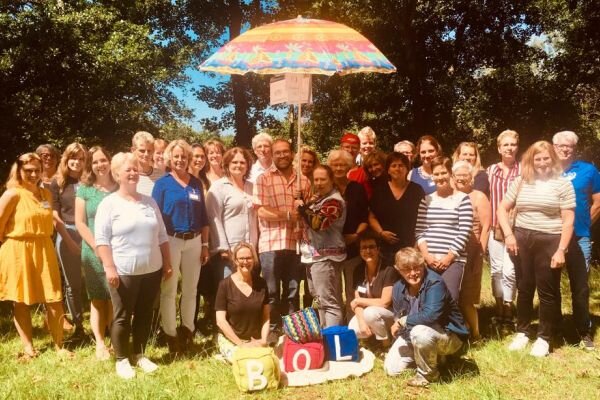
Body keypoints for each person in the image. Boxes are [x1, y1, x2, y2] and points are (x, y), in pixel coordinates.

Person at [95, 152, 173, 379]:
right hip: (124, 271)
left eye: (135, 169)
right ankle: (121, 359)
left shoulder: (149, 202)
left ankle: (139, 354)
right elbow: (101, 240)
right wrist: (109, 267)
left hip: (152, 269)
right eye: (127, 170)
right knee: (122, 316)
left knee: (144, 314)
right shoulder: (109, 204)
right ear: (117, 174)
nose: (133, 173)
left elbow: (162, 236)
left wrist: (167, 263)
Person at [498, 140, 575, 357]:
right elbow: (502, 209)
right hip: (522, 238)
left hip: (550, 240)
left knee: (547, 291)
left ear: (553, 159)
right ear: (531, 161)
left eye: (546, 158)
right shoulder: (521, 181)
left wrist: (561, 250)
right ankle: (522, 332)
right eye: (537, 159)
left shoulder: (563, 184)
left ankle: (544, 337)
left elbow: (568, 220)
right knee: (524, 287)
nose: (541, 162)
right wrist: (509, 235)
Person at [0, 153, 71, 358]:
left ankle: (59, 346)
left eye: (37, 170)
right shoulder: (12, 194)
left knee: (54, 298)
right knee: (21, 300)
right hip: (18, 251)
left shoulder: (45, 194)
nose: (33, 174)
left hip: (44, 248)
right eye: (28, 170)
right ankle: (28, 347)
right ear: (19, 171)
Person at [152, 140, 209, 352]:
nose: (180, 160)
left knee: (191, 290)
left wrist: (205, 244)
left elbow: (203, 216)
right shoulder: (162, 184)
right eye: (176, 156)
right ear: (170, 158)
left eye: (184, 156)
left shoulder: (196, 183)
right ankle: (171, 335)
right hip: (171, 240)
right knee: (169, 289)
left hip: (194, 241)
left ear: (188, 159)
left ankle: (188, 331)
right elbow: (155, 217)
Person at [384, 247, 468, 387]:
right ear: (398, 269)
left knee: (420, 332)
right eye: (407, 269)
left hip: (447, 335)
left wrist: (402, 322)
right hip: (414, 334)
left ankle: (428, 375)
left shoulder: (435, 282)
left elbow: (431, 316)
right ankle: (432, 359)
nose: (413, 273)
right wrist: (399, 329)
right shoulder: (398, 287)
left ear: (423, 264)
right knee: (391, 370)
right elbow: (399, 316)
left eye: (417, 267)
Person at [254, 139, 310, 338]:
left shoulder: (304, 181)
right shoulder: (263, 179)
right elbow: (261, 210)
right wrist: (286, 215)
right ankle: (271, 330)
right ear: (272, 155)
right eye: (277, 152)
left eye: (285, 151)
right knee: (271, 291)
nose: (282, 155)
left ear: (292, 153)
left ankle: (292, 330)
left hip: (295, 242)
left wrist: (302, 210)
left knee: (293, 290)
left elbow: (309, 212)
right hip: (271, 242)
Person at [553, 130, 600, 350]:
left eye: (569, 146)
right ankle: (553, 328)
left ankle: (583, 330)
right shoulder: (546, 170)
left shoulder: (588, 170)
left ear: (575, 148)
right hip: (551, 236)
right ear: (554, 147)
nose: (565, 149)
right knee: (550, 285)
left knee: (580, 287)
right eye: (561, 145)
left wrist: (582, 225)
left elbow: (598, 202)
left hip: (580, 237)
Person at [74, 146, 118, 360]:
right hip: (92, 252)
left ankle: (114, 341)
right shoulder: (85, 189)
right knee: (98, 299)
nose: (100, 165)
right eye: (95, 162)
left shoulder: (119, 187)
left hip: (117, 251)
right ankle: (100, 343)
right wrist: (96, 247)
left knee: (114, 298)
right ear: (90, 166)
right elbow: (80, 222)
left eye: (103, 160)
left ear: (110, 161)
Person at [415, 157, 474, 302]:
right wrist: (426, 256)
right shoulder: (426, 200)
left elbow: (465, 231)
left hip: (453, 260)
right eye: (436, 174)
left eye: (443, 173)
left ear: (451, 174)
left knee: (450, 298)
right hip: (429, 260)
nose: (440, 177)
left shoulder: (463, 199)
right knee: (427, 298)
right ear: (432, 176)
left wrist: (449, 257)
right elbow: (420, 231)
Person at [300, 165, 346, 327]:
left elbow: (318, 223)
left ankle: (333, 338)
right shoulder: (319, 199)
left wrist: (302, 208)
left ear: (331, 180)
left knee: (329, 303)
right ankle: (325, 335)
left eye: (323, 179)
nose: (319, 183)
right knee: (320, 301)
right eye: (316, 180)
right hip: (313, 256)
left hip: (326, 258)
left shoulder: (334, 201)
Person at [50, 142, 87, 341]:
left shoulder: (90, 181)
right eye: (73, 158)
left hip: (89, 233)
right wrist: (68, 240)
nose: (77, 162)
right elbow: (54, 215)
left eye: (81, 158)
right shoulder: (57, 183)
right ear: (66, 158)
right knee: (73, 284)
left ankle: (104, 324)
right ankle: (78, 326)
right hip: (67, 233)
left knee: (97, 281)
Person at [206, 146, 258, 290]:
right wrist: (223, 248)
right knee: (229, 291)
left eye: (242, 162)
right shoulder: (218, 187)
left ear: (248, 165)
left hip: (250, 251)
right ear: (227, 164)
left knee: (247, 291)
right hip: (228, 252)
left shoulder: (252, 187)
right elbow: (213, 218)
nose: (238, 165)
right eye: (234, 162)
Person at [452, 161, 492, 339]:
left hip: (472, 251)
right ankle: (459, 331)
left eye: (465, 175)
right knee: (452, 294)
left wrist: (479, 255)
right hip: (450, 252)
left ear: (471, 178)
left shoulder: (479, 197)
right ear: (453, 177)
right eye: (458, 175)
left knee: (466, 298)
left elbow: (486, 228)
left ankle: (476, 335)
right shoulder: (449, 196)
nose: (461, 178)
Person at [328, 149, 368, 320]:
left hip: (353, 246)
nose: (339, 168)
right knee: (334, 289)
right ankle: (337, 323)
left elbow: (365, 217)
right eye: (335, 165)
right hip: (331, 248)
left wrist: (356, 235)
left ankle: (353, 322)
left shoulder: (357, 188)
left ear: (349, 167)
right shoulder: (327, 188)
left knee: (352, 288)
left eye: (342, 165)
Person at [486, 129, 520, 331]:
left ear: (517, 147)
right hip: (494, 227)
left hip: (515, 228)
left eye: (513, 144)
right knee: (496, 271)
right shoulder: (490, 171)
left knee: (510, 270)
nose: (509, 148)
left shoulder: (524, 170)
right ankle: (498, 308)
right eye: (505, 144)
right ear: (499, 148)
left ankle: (508, 307)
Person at [215, 242, 269, 362]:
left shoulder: (261, 283)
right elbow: (220, 321)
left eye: (249, 258)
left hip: (255, 339)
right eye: (241, 258)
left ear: (254, 260)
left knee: (266, 360)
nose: (245, 261)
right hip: (232, 340)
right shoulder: (224, 285)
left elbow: (266, 317)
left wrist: (264, 340)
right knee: (245, 360)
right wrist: (241, 344)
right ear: (235, 260)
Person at [369, 153, 425, 263]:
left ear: (407, 169)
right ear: (388, 170)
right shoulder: (380, 190)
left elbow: (423, 219)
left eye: (401, 165)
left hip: (410, 247)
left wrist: (417, 244)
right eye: (393, 166)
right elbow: (371, 217)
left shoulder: (417, 190)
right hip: (385, 249)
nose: (397, 169)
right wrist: (381, 233)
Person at [348, 231, 399, 347]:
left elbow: (385, 302)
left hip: (390, 313)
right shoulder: (358, 270)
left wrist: (359, 301)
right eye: (363, 248)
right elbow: (357, 304)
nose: (367, 251)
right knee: (353, 329)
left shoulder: (388, 270)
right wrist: (361, 322)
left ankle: (386, 344)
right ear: (360, 251)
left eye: (371, 247)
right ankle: (373, 339)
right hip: (369, 313)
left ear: (378, 249)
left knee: (370, 313)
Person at [131, 131, 163, 197]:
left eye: (149, 151)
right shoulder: (128, 175)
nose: (146, 154)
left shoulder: (161, 176)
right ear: (133, 150)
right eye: (142, 151)